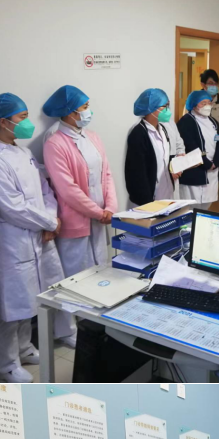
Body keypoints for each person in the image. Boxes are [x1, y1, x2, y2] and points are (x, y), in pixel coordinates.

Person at [0, 93, 73, 382]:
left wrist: (51, 219)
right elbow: (11, 206)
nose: (27, 123)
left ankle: (25, 347)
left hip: (40, 235)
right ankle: (7, 363)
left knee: (33, 298)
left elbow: (46, 190)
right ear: (3, 121)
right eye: (22, 117)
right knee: (13, 305)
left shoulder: (24, 153)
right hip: (13, 241)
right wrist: (48, 222)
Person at [43, 85, 117, 319]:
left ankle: (95, 324)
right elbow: (67, 189)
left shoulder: (93, 137)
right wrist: (97, 212)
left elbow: (106, 174)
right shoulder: (55, 143)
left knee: (100, 272)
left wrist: (110, 207)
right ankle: (71, 329)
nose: (88, 111)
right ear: (70, 112)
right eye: (84, 107)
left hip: (100, 218)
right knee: (75, 280)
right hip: (77, 220)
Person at [125, 88, 180, 207]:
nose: (168, 110)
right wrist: (147, 202)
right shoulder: (138, 133)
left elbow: (164, 159)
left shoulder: (163, 130)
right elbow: (137, 172)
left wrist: (175, 165)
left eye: (168, 106)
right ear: (151, 108)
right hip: (147, 199)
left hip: (166, 194)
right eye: (164, 106)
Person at [177, 90, 219, 211]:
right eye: (203, 103)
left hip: (212, 170)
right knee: (191, 208)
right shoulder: (186, 121)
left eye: (209, 103)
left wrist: (216, 162)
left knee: (205, 208)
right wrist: (206, 163)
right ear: (193, 105)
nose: (207, 106)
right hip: (195, 171)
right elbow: (190, 145)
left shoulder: (213, 122)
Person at [200, 69, 219, 135]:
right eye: (210, 83)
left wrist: (216, 140)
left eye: (215, 83)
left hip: (215, 139)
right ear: (203, 85)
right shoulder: (194, 101)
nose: (213, 86)